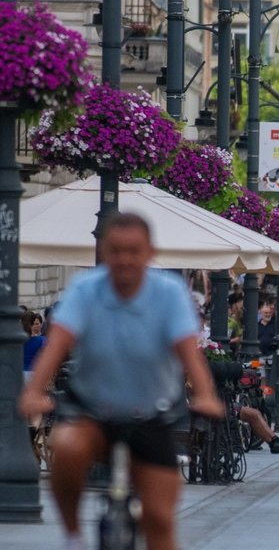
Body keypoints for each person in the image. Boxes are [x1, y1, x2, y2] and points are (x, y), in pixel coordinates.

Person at [18, 212, 224, 550]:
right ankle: (73, 536)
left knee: (159, 518)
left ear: (149, 252)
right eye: (116, 250)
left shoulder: (169, 293)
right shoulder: (86, 289)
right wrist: (34, 393)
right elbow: (57, 347)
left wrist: (205, 395)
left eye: (134, 250)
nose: (125, 259)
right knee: (66, 449)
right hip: (92, 411)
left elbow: (189, 354)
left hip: (153, 413)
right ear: (104, 252)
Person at [227, 291, 244, 355]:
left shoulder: (243, 315)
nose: (242, 304)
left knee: (255, 363)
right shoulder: (231, 318)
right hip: (235, 350)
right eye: (239, 302)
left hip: (241, 348)